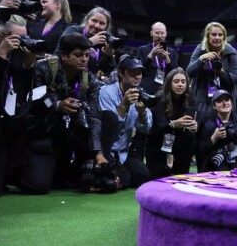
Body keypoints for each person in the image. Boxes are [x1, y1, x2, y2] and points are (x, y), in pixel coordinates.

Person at [20, 33, 103, 194]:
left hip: (72, 135)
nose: (84, 59)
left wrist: (98, 152)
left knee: (65, 182)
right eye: (78, 55)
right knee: (37, 185)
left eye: (87, 55)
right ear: (64, 55)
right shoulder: (43, 67)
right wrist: (57, 105)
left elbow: (94, 116)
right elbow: (35, 101)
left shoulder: (90, 79)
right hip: (41, 133)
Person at [0, 16, 37, 197]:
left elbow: (23, 92)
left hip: (3, 126)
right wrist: (1, 55)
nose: (20, 43)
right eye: (16, 38)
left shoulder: (17, 55)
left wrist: (28, 65)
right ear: (0, 35)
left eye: (24, 38)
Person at [98, 55, 153, 188]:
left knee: (143, 176)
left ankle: (117, 176)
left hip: (124, 153)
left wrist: (142, 114)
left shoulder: (140, 94)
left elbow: (145, 129)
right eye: (133, 72)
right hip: (106, 150)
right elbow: (109, 127)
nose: (137, 76)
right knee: (125, 178)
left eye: (140, 73)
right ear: (121, 73)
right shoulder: (106, 92)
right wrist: (124, 105)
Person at [146, 68, 198, 178]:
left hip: (177, 140)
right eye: (176, 81)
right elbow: (158, 127)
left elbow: (190, 122)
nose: (180, 85)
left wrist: (194, 126)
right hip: (158, 140)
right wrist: (173, 124)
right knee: (158, 177)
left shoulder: (189, 98)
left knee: (190, 137)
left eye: (183, 82)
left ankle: (182, 173)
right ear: (169, 83)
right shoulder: (160, 98)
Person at [186, 22, 237, 121]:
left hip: (225, 100)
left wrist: (221, 72)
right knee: (203, 127)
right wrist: (201, 59)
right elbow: (189, 72)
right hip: (202, 100)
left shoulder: (231, 52)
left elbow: (235, 79)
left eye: (220, 35)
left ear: (224, 37)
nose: (217, 37)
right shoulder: (200, 49)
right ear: (207, 36)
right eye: (213, 34)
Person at [58, 7, 116, 76]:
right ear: (87, 20)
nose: (97, 26)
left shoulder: (104, 41)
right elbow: (60, 50)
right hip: (63, 75)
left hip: (87, 80)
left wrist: (109, 56)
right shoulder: (73, 30)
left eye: (102, 23)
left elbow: (108, 71)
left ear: (106, 27)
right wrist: (90, 42)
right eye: (94, 21)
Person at [136, 22, 179, 94]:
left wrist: (167, 60)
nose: (160, 36)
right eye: (157, 33)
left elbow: (175, 75)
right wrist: (150, 56)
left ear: (166, 34)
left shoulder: (173, 52)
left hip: (165, 92)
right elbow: (137, 71)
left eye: (162, 33)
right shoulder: (142, 49)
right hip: (145, 91)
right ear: (151, 33)